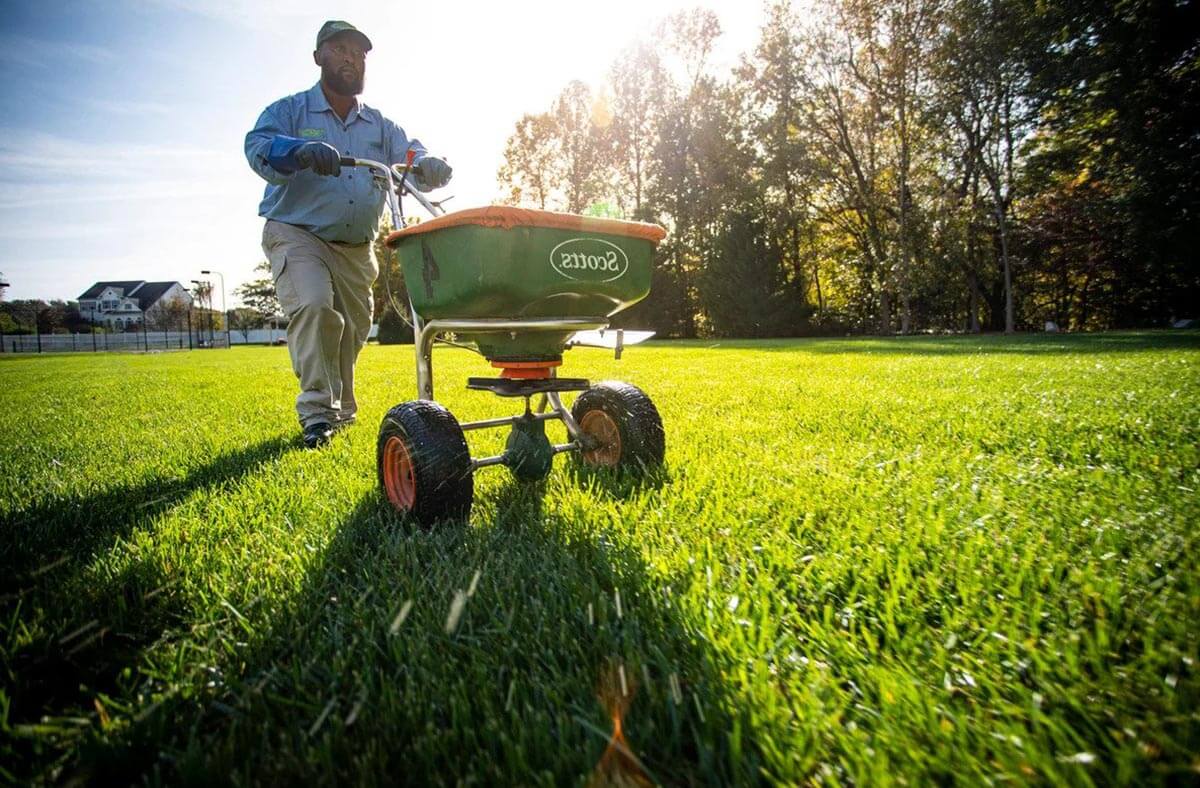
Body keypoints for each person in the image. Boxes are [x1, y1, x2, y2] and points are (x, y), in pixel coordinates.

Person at [244, 20, 452, 449]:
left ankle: (342, 408)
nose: (350, 59)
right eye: (340, 49)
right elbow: (258, 145)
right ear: (318, 56)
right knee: (317, 308)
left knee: (354, 330)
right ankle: (318, 416)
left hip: (357, 249)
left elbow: (410, 154)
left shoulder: (379, 126)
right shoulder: (291, 112)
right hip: (299, 233)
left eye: (359, 53)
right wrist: (297, 150)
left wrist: (428, 163)